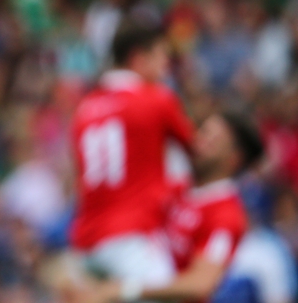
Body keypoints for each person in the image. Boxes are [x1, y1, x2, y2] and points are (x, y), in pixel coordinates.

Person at [70, 109, 263, 303]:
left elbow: (201, 283)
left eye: (213, 141)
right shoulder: (176, 187)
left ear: (234, 159)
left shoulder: (225, 215)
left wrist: (125, 290)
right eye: (203, 132)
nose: (198, 143)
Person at [69, 16, 195, 289]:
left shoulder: (85, 109)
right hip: (132, 237)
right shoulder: (157, 98)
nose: (167, 64)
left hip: (86, 243)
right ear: (139, 58)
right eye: (162, 54)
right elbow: (199, 153)